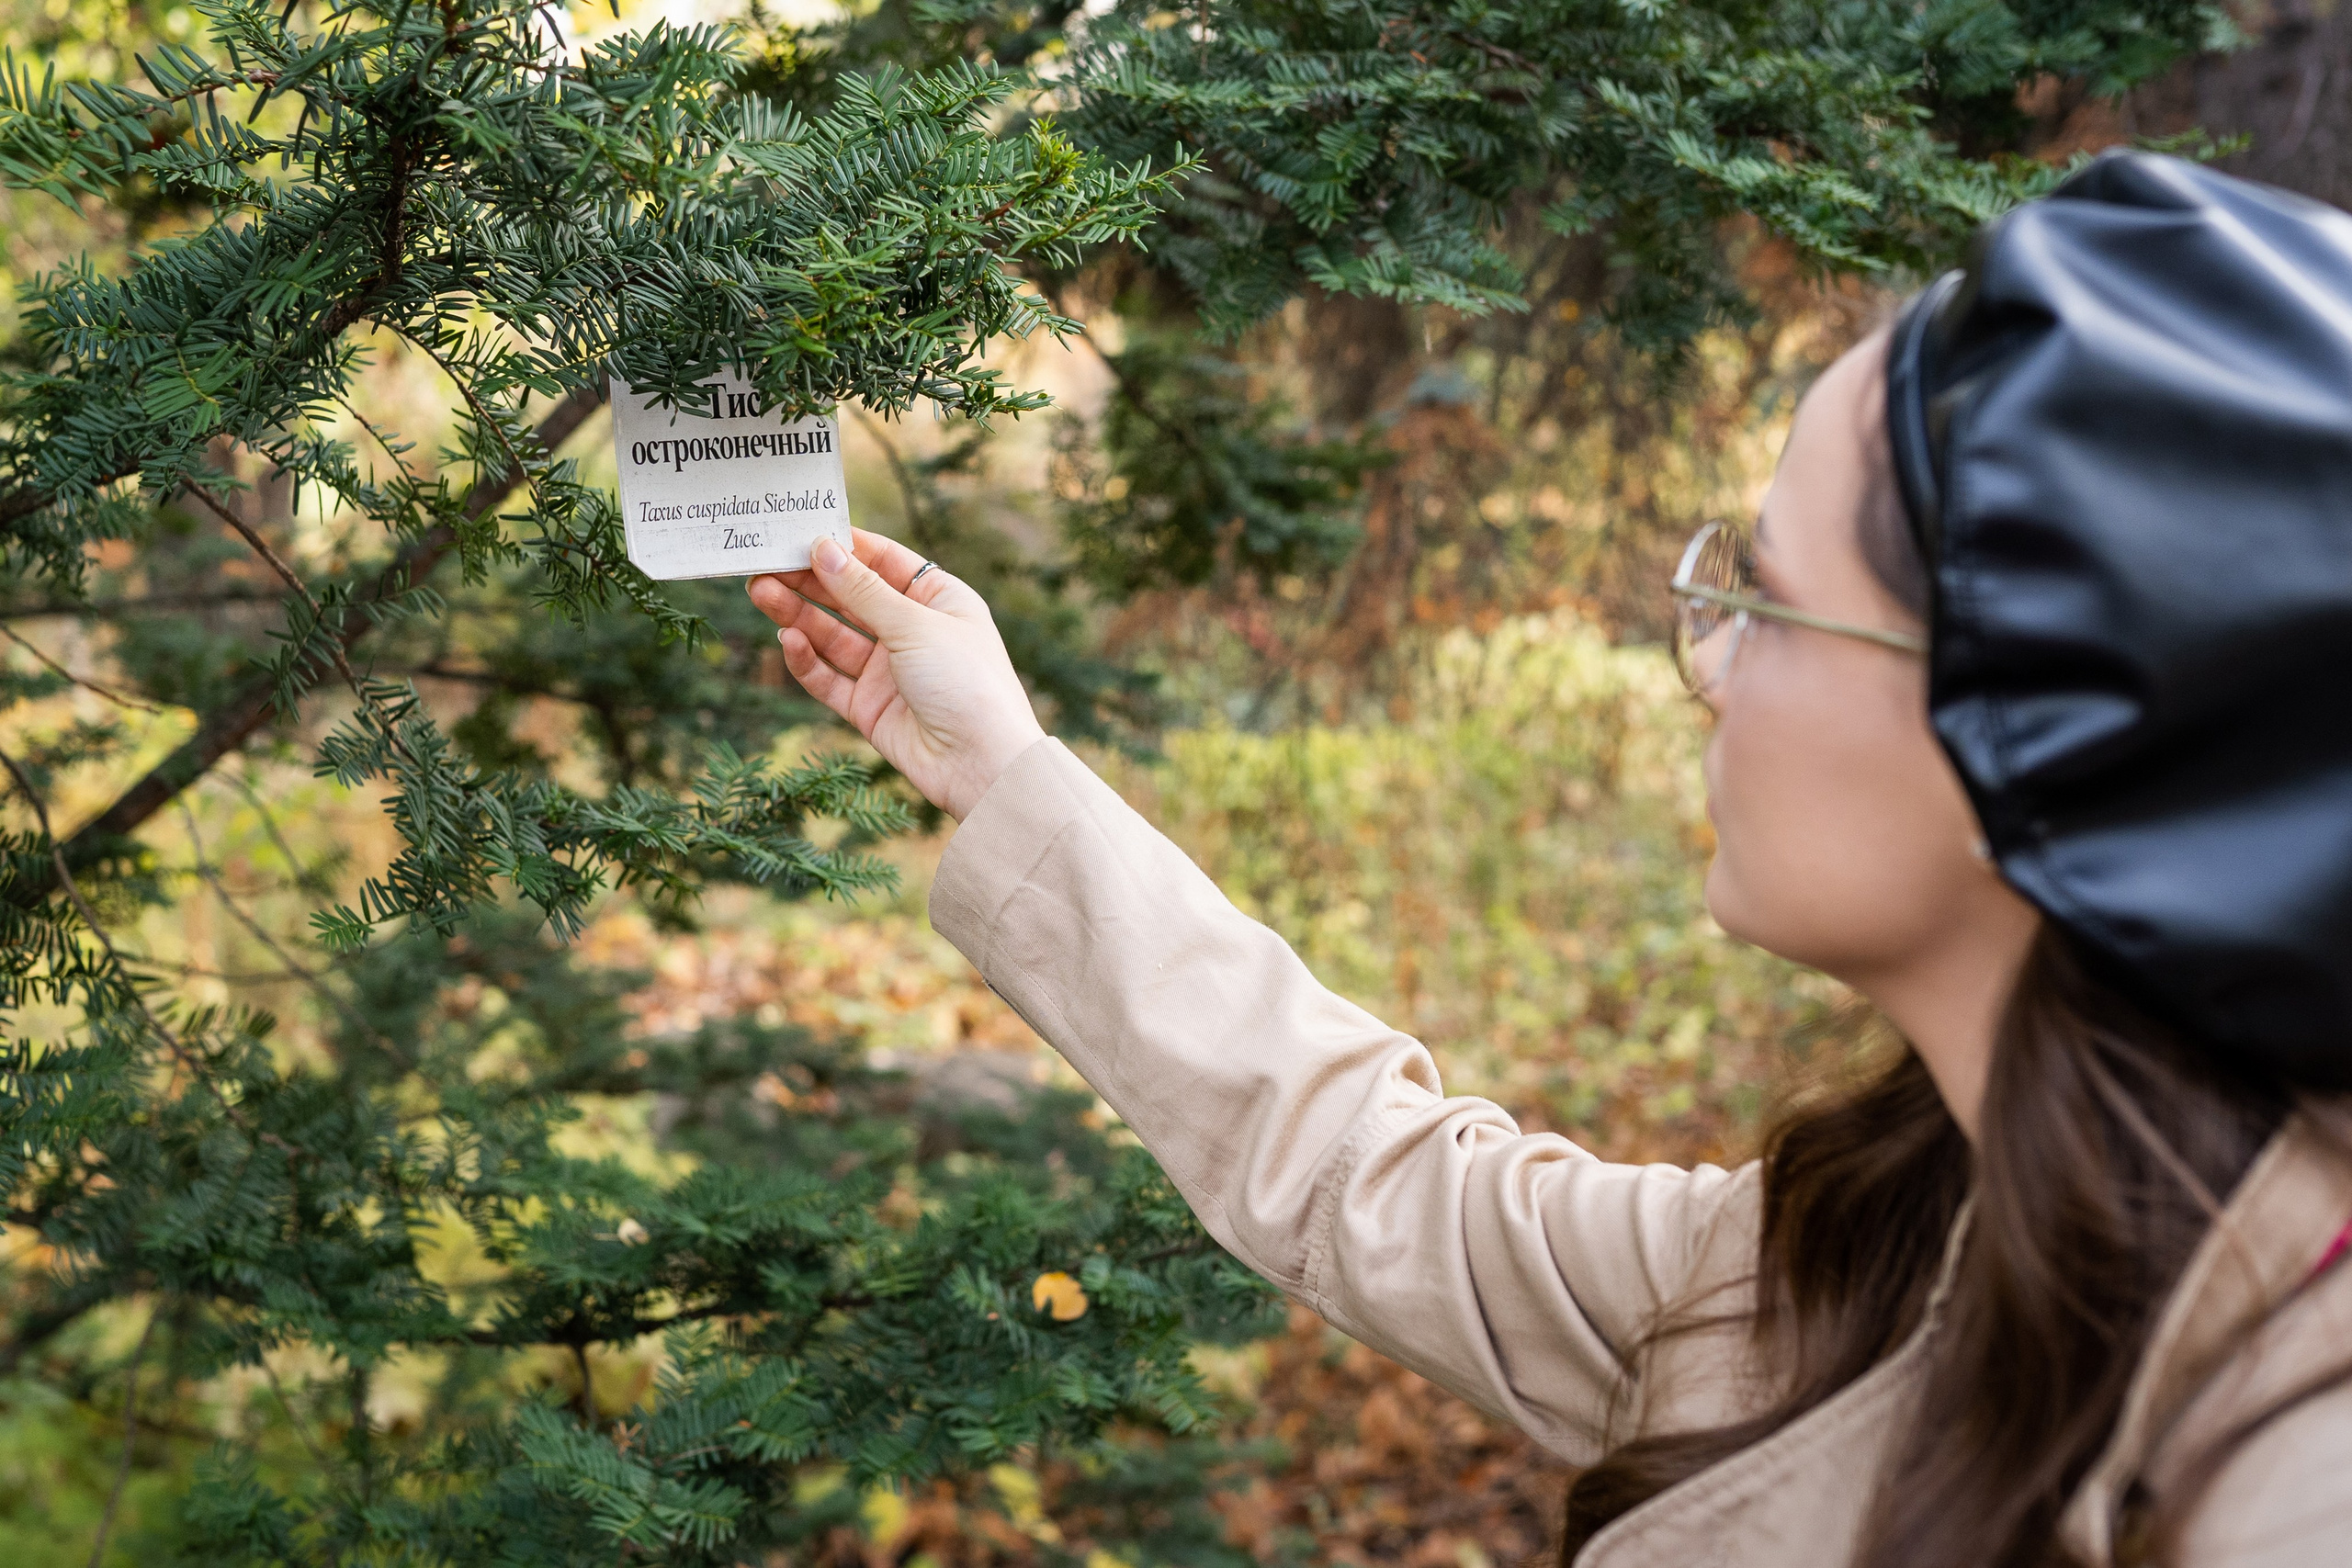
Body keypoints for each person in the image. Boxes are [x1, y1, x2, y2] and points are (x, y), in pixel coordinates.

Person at [746, 152, 2352, 1567]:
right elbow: (1395, 1188)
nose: (1702, 663)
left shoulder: (2295, 1481)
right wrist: (1008, 772)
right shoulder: (1911, 1236)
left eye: (1765, 600)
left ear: (2029, 721)